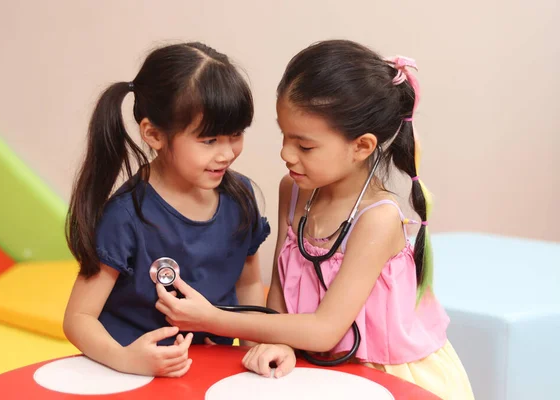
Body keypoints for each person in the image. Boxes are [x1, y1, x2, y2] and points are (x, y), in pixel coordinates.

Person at [155, 40, 474, 398]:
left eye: (304, 146)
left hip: (386, 376)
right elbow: (279, 286)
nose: (285, 153)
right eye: (284, 135)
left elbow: (325, 331)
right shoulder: (293, 191)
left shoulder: (378, 220)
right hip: (314, 365)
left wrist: (211, 318)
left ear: (362, 147)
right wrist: (278, 343)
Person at [63, 42, 270, 378]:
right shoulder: (126, 215)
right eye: (209, 141)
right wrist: (127, 359)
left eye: (235, 135)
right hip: (133, 375)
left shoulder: (240, 196)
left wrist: (255, 345)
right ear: (154, 134)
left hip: (207, 370)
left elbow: (248, 286)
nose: (227, 153)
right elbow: (78, 319)